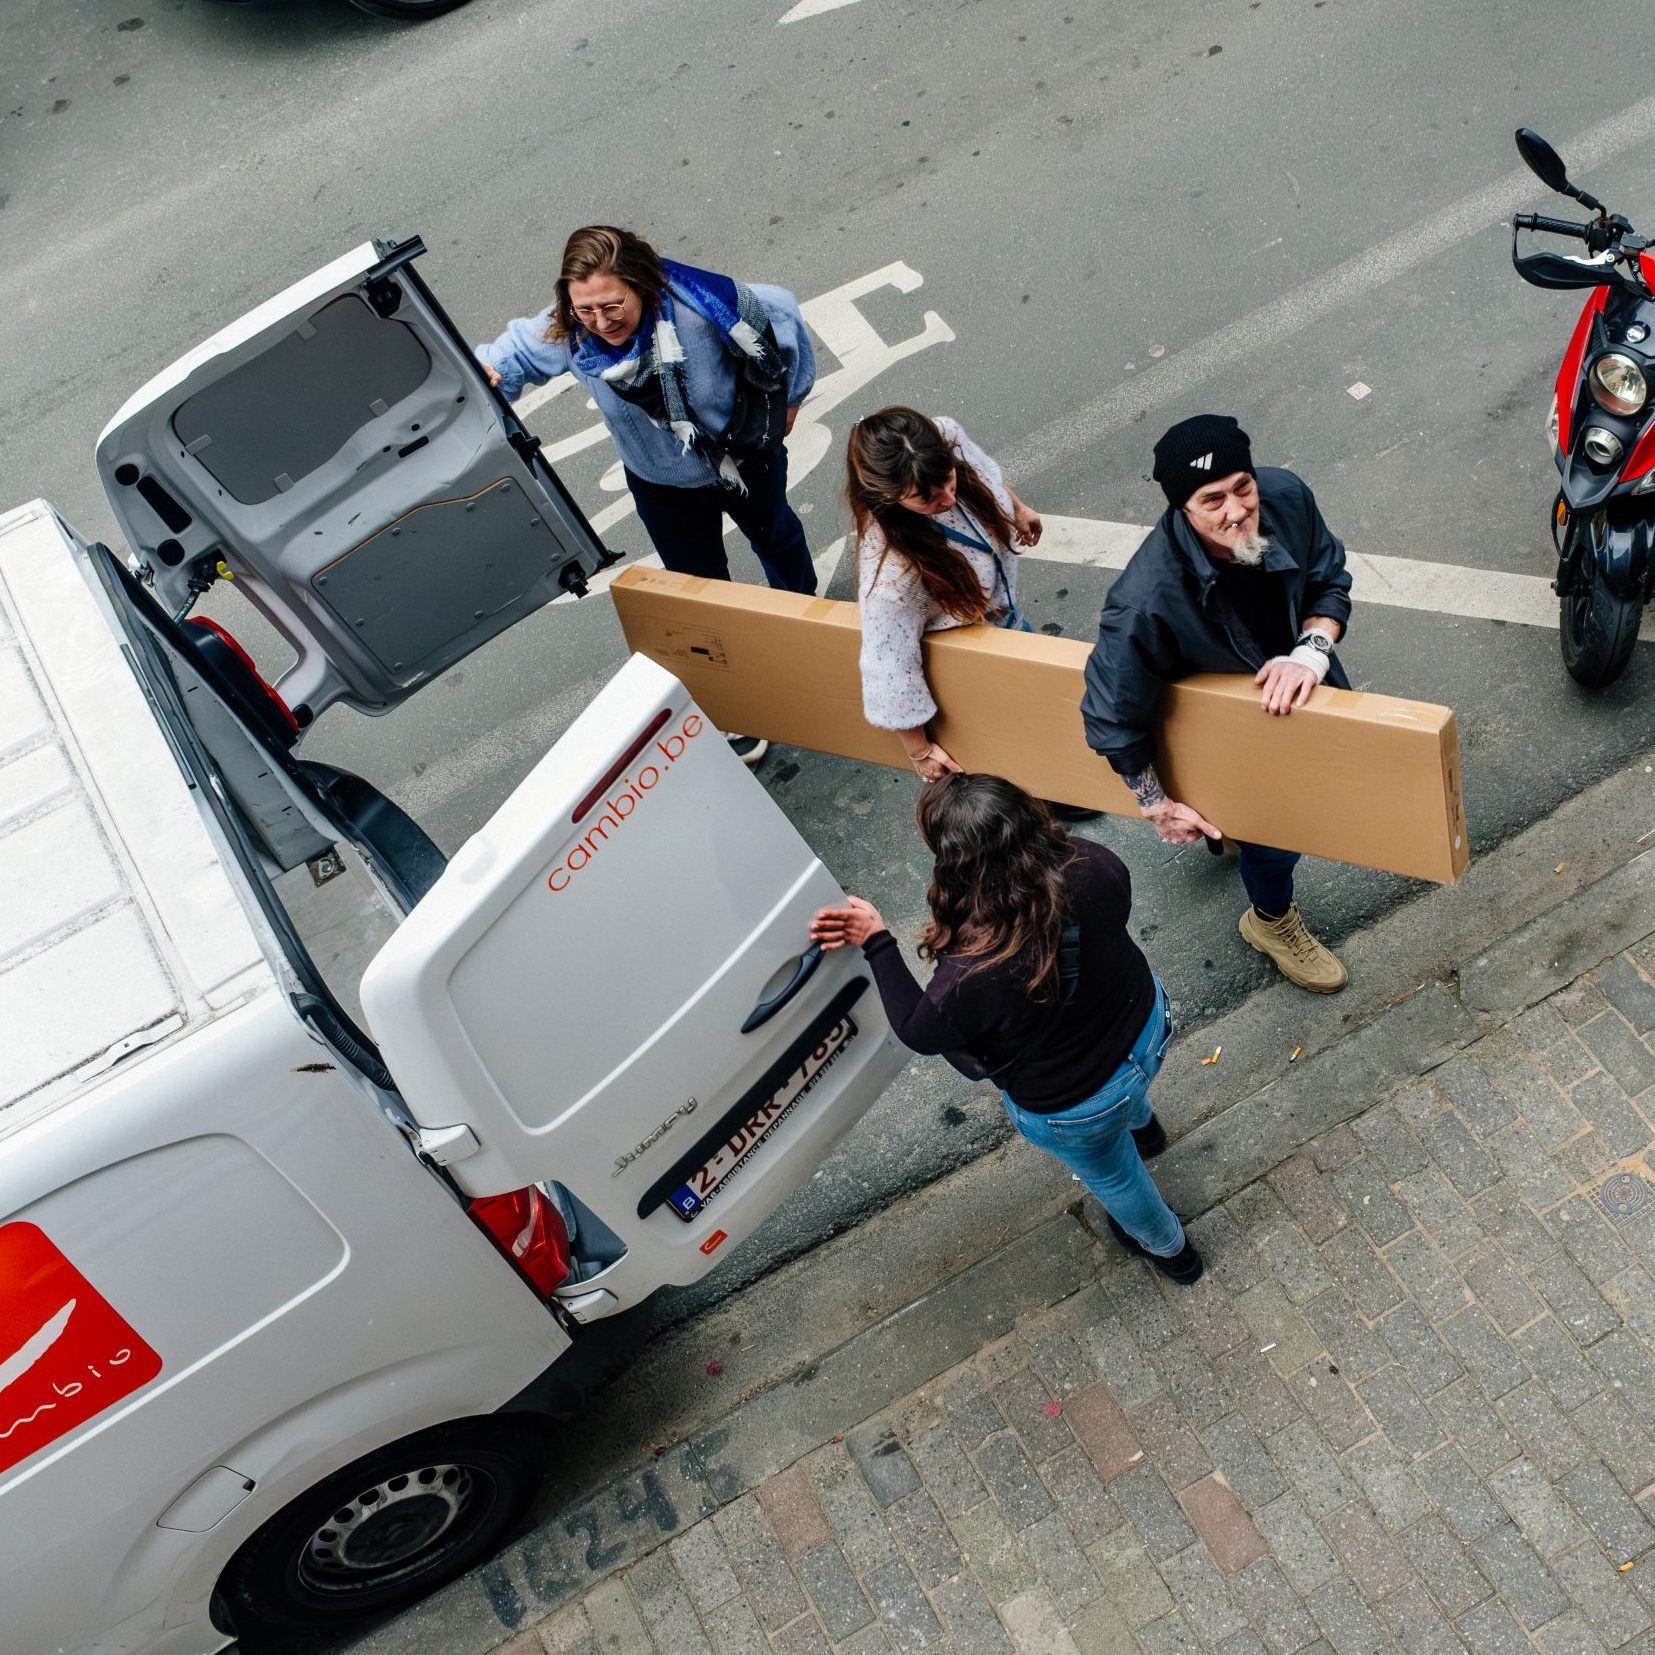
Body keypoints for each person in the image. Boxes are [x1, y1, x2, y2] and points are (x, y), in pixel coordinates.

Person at [810, 772, 1203, 1284]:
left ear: (952, 860)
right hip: (1146, 1028)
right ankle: (1147, 1131)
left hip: (1076, 1100)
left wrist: (876, 940)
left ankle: (1174, 1253)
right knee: (1127, 1096)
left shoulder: (973, 969)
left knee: (1116, 1177)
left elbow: (919, 1031)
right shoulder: (1092, 862)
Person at [478, 226, 819, 763]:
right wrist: (488, 371)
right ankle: (738, 702)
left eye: (613, 304)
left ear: (643, 285)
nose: (600, 321)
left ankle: (806, 625)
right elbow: (512, 353)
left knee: (777, 537)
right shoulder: (572, 331)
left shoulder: (701, 308)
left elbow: (777, 310)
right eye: (585, 309)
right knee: (699, 591)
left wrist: (791, 400)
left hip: (744, 459)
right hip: (662, 484)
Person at [1081, 414, 1354, 992]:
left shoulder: (1286, 496)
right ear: (1182, 508)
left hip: (1295, 691)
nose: (1236, 511)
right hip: (1221, 733)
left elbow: (1329, 578)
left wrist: (1310, 651)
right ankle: (1270, 921)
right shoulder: (1145, 600)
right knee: (1279, 838)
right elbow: (1110, 713)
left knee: (1317, 793)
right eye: (1212, 500)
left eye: (1242, 487)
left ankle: (1235, 831)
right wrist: (1155, 804)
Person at [846, 408, 1095, 821]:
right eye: (927, 498)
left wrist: (1017, 508)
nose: (948, 498)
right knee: (1014, 734)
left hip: (1004, 624)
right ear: (888, 496)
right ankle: (1045, 794)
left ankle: (1056, 781)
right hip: (973, 658)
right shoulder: (891, 578)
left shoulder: (945, 434)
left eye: (948, 478)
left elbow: (986, 477)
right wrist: (920, 752)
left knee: (1041, 709)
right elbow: (889, 670)